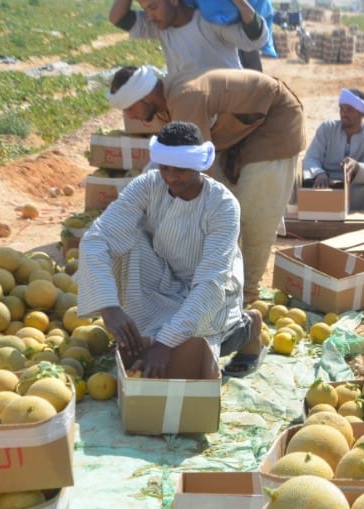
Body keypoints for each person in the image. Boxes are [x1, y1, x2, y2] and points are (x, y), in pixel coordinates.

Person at [77, 121, 265, 378]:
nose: (171, 176)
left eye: (181, 170)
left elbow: (211, 283)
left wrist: (165, 344)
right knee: (121, 243)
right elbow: (97, 239)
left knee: (190, 346)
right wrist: (109, 307)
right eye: (165, 168)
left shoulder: (223, 206)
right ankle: (151, 331)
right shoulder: (148, 185)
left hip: (212, 290)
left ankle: (248, 326)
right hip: (163, 277)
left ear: (199, 165)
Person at [108, 65, 305, 303]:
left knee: (253, 212)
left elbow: (198, 172)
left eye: (130, 108)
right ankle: (225, 281)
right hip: (238, 131)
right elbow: (171, 162)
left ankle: (247, 292)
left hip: (274, 121)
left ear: (146, 96)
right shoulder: (162, 107)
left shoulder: (184, 98)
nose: (129, 117)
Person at [109, 0, 269, 82]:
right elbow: (118, 18)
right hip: (192, 110)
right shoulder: (160, 27)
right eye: (145, 10)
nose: (150, 17)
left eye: (153, 7)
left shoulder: (209, 22)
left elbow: (255, 39)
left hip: (227, 108)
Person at [301, 88, 364, 213]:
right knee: (292, 166)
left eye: (349, 110)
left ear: (362, 114)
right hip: (328, 188)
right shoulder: (327, 128)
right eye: (341, 109)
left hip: (360, 191)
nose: (343, 113)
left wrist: (357, 167)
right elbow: (311, 158)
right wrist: (319, 173)